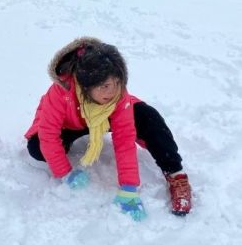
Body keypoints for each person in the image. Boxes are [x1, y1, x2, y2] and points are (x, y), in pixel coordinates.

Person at [24, 37, 192, 220]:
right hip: (70, 122)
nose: (111, 92)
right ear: (87, 85)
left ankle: (176, 174)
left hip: (105, 117)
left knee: (148, 116)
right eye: (104, 86)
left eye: (117, 84)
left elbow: (124, 140)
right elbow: (48, 135)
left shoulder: (117, 97)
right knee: (37, 147)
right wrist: (65, 173)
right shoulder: (59, 92)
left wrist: (129, 189)